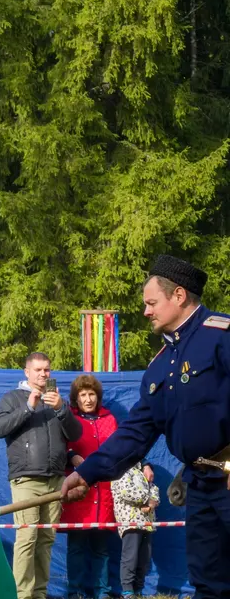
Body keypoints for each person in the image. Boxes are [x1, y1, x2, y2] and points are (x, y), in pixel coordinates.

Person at [62, 255, 230, 599]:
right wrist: (86, 473)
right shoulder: (160, 365)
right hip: (201, 486)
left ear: (178, 296)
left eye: (152, 303)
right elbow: (136, 431)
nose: (145, 311)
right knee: (209, 584)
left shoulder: (221, 336)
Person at [0, 352, 81, 599]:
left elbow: (75, 434)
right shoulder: (12, 398)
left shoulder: (57, 401)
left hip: (55, 478)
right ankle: (22, 595)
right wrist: (28, 407)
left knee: (46, 539)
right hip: (26, 479)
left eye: (47, 370)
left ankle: (40, 594)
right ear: (27, 372)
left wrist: (62, 409)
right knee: (27, 537)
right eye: (38, 370)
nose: (43, 374)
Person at [61, 375, 118, 599]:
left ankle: (103, 592)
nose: (88, 399)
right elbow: (59, 447)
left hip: (103, 492)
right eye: (83, 394)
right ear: (76, 398)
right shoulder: (69, 419)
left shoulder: (109, 419)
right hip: (78, 491)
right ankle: (75, 592)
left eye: (91, 394)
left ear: (98, 396)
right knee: (76, 546)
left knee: (101, 548)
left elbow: (121, 449)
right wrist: (71, 455)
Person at [111, 461, 159, 599]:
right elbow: (126, 492)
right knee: (130, 558)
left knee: (144, 559)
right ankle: (127, 591)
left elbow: (154, 489)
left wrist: (152, 503)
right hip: (130, 522)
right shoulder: (120, 470)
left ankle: (138, 590)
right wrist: (147, 500)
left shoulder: (142, 471)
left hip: (147, 523)